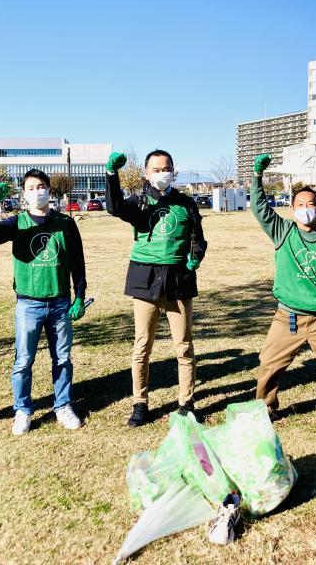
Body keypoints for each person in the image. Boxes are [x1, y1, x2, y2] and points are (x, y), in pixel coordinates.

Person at [251, 154, 316, 431]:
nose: (305, 208)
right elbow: (260, 207)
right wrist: (257, 177)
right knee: (268, 368)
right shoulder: (282, 231)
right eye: (300, 204)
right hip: (288, 317)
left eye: (311, 204)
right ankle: (265, 410)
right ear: (292, 208)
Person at [105, 149, 207, 427]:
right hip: (145, 278)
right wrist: (111, 175)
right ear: (146, 174)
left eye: (167, 168)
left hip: (179, 281)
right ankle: (140, 403)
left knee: (184, 346)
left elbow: (199, 238)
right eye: (157, 169)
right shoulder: (139, 202)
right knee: (142, 347)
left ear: (174, 171)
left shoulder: (186, 203)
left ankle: (186, 403)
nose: (163, 173)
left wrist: (196, 255)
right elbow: (114, 207)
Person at [0, 169, 87, 435]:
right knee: (23, 361)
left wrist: (80, 296)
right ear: (24, 193)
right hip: (29, 304)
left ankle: (62, 405)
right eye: (31, 187)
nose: (37, 191)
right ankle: (23, 409)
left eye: (41, 186)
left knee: (62, 358)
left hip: (60, 301)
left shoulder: (66, 223)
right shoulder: (16, 223)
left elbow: (78, 263)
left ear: (49, 191)